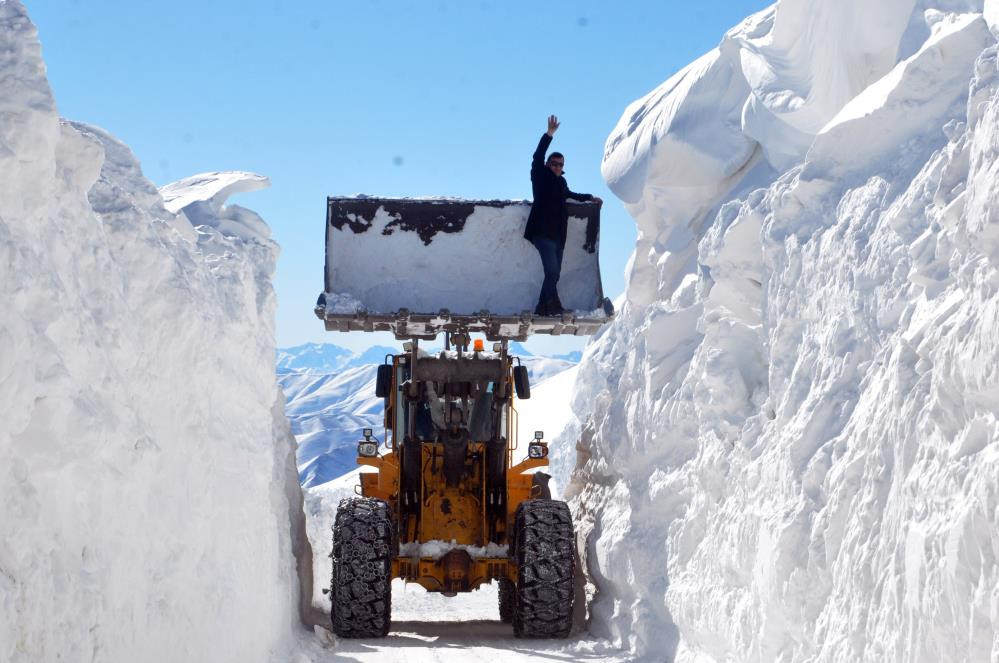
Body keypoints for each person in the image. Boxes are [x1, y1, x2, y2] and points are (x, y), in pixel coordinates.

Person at [524, 115, 602, 315]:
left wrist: (589, 197)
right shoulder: (540, 176)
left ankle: (546, 305)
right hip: (542, 233)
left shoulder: (561, 183)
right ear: (548, 164)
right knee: (551, 271)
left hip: (558, 236)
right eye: (554, 164)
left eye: (561, 164)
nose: (558, 167)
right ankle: (547, 306)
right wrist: (549, 134)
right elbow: (537, 156)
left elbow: (570, 194)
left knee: (555, 274)